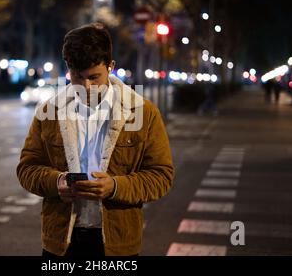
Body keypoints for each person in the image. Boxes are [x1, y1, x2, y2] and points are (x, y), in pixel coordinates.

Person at [16, 23, 175, 257]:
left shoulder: (142, 111)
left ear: (111, 67)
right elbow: (27, 168)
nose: (86, 87)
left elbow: (161, 176)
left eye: (94, 77)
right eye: (78, 78)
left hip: (118, 243)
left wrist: (115, 186)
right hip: (61, 242)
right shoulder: (49, 111)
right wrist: (56, 181)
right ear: (68, 70)